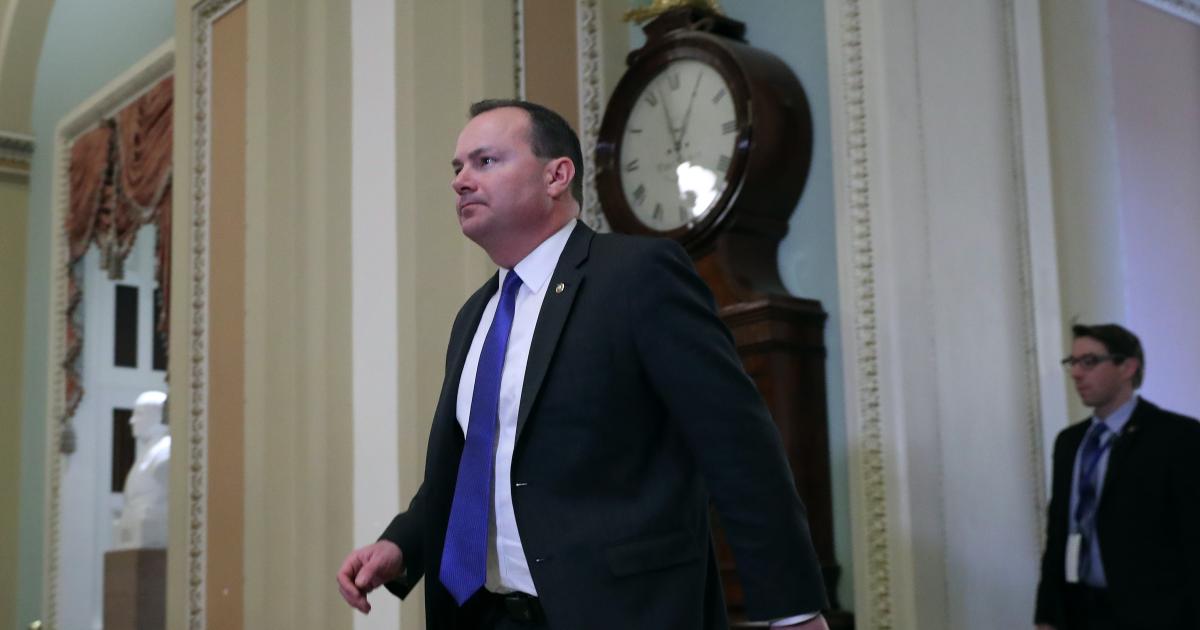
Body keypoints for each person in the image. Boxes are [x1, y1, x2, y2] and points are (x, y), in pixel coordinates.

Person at [337, 99, 829, 629]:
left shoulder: (638, 276)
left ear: (557, 176)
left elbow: (738, 445)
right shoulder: (474, 317)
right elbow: (479, 465)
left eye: (485, 161)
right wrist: (403, 544)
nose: (461, 181)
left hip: (623, 612)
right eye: (458, 167)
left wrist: (793, 610)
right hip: (489, 616)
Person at [1034, 324, 1200, 630]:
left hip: (1155, 613)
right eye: (1073, 362)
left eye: (1089, 362)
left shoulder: (1177, 436)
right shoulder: (1070, 442)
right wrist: (1046, 613)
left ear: (1127, 367)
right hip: (1080, 610)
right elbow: (1059, 530)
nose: (1076, 374)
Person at [114, 390, 171, 550]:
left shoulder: (166, 451)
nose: (131, 421)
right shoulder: (147, 453)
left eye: (138, 414)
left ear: (157, 416)